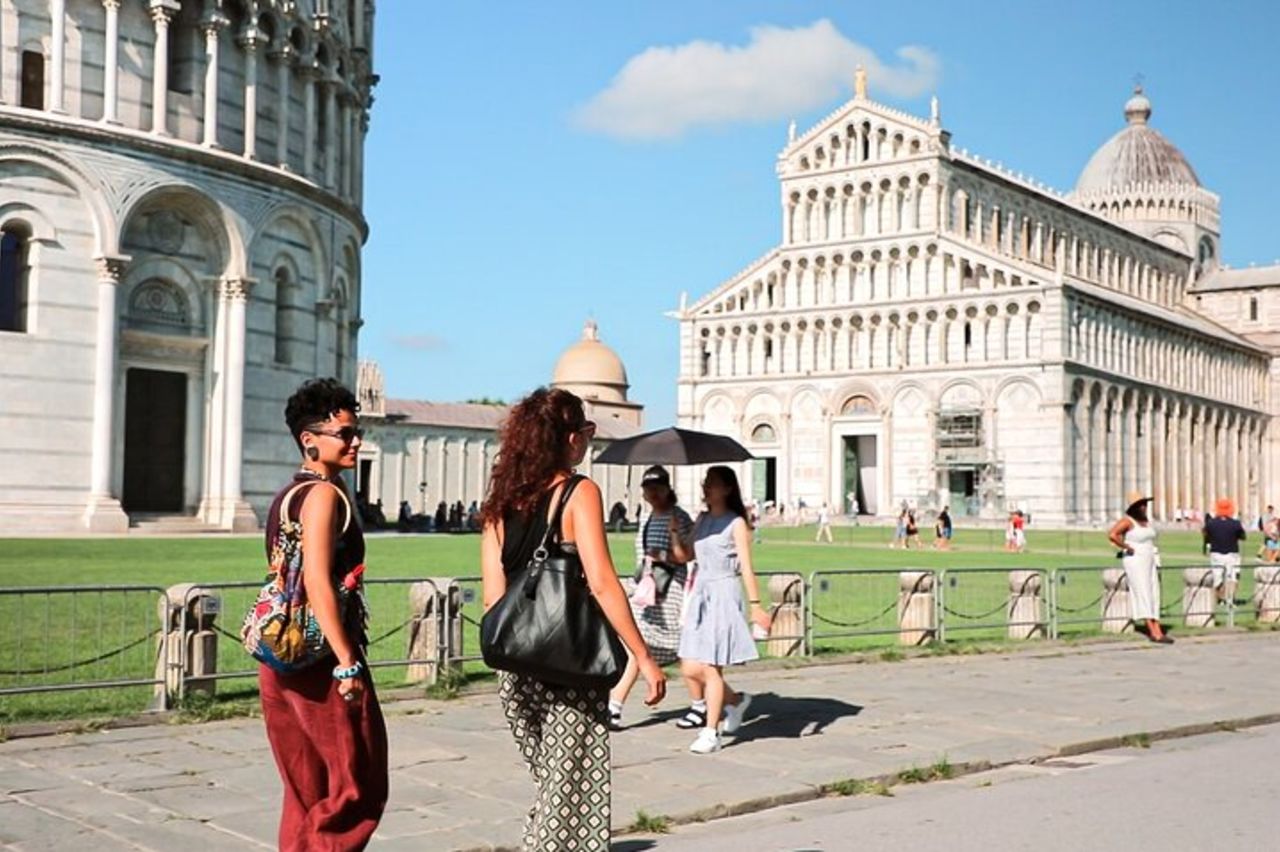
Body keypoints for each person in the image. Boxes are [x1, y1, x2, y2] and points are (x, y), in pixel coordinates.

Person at [480, 388, 665, 850]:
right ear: (569, 438)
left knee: (554, 784)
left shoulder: (500, 502)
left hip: (514, 666)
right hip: (568, 660)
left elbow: (492, 598)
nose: (587, 441)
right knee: (571, 788)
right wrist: (642, 656)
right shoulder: (579, 491)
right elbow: (602, 582)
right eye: (585, 432)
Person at [258, 378, 388, 850]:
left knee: (305, 791)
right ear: (309, 439)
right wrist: (347, 662)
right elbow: (316, 581)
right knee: (358, 785)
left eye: (357, 433)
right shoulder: (326, 496)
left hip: (278, 656)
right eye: (346, 434)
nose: (356, 442)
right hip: (321, 661)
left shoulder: (285, 496)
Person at [670, 466, 772, 754]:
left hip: (724, 592)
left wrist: (756, 607)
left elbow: (747, 568)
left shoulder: (736, 523)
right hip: (701, 591)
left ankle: (711, 732)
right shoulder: (702, 519)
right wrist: (677, 533)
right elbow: (686, 555)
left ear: (727, 489)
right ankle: (736, 701)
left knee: (711, 666)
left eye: (712, 484)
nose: (707, 488)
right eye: (706, 483)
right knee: (690, 666)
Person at [608, 466, 694, 730]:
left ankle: (716, 700)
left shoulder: (678, 517)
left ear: (668, 489)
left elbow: (687, 555)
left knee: (685, 653)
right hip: (646, 591)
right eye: (648, 489)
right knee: (639, 647)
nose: (653, 494)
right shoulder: (646, 517)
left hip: (669, 592)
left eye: (658, 488)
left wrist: (669, 546)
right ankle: (614, 705)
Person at [1108, 491, 1171, 644]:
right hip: (1136, 559)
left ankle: (1158, 628)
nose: (1144, 507)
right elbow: (1112, 534)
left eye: (1145, 504)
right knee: (1142, 592)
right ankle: (1153, 631)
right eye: (1141, 505)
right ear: (1134, 507)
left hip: (1149, 557)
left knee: (1153, 592)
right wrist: (1126, 547)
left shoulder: (1146, 521)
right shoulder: (1128, 521)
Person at [1203, 498, 1246, 605]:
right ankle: (1230, 600)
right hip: (1232, 553)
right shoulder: (1235, 523)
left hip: (1216, 552)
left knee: (1217, 577)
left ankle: (1220, 599)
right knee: (1233, 576)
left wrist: (1208, 544)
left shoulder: (1211, 523)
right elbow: (1243, 536)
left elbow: (1206, 535)